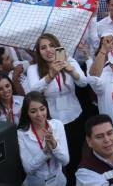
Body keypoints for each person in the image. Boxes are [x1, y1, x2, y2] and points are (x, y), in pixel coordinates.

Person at [26, 33, 88, 180]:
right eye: (43, 48)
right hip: (52, 120)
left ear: (58, 47)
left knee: (75, 156)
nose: (48, 50)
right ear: (39, 52)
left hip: (75, 116)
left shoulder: (70, 60)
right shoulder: (33, 69)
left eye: (51, 46)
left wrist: (71, 70)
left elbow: (84, 83)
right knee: (57, 157)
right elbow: (33, 92)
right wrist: (50, 75)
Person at [17, 91, 69, 186]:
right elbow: (28, 169)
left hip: (59, 181)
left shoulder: (58, 125)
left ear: (47, 108)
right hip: (36, 183)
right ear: (27, 113)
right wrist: (45, 152)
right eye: (33, 111)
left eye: (42, 109)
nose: (39, 114)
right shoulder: (21, 133)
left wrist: (55, 146)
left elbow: (65, 161)